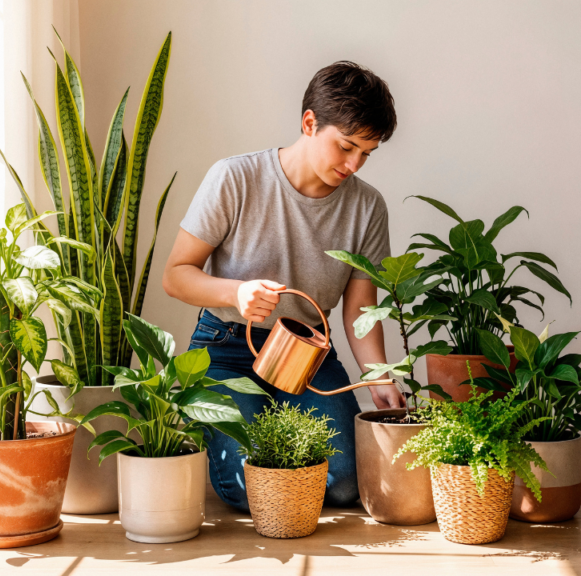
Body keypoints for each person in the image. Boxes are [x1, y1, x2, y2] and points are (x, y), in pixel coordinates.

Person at [161, 61, 404, 511]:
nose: (354, 164)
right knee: (246, 485)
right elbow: (176, 275)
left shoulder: (368, 207)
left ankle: (279, 437)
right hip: (227, 346)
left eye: (366, 153)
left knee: (347, 483)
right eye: (346, 146)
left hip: (309, 356)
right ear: (309, 123)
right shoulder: (235, 178)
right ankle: (242, 433)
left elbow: (359, 310)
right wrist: (234, 293)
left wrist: (379, 377)